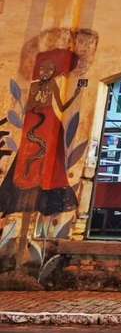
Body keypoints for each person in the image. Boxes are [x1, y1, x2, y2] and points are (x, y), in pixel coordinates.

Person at [0, 51, 82, 216]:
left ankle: (44, 189)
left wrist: (75, 95)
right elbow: (29, 105)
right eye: (43, 68)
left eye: (49, 69)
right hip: (33, 121)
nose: (45, 72)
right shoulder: (34, 85)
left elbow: (61, 106)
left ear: (54, 72)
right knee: (27, 156)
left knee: (48, 157)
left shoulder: (53, 85)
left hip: (47, 121)